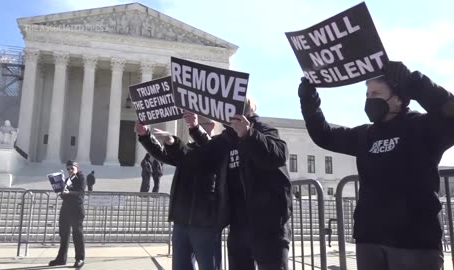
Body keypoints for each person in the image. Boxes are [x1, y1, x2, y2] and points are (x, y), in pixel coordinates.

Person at [298, 61, 454, 270]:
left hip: (414, 243)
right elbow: (324, 136)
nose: (369, 100)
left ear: (398, 98)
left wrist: (415, 82)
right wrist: (309, 101)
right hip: (369, 240)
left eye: (375, 93)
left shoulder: (422, 127)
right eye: (367, 94)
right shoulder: (365, 135)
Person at [188, 96, 293, 270]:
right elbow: (207, 152)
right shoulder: (227, 139)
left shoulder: (265, 130)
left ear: (249, 111)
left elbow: (279, 155)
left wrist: (248, 134)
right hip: (239, 225)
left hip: (269, 224)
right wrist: (194, 128)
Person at [135, 116, 227, 270]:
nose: (191, 127)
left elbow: (198, 156)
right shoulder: (187, 148)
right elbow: (164, 155)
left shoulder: (220, 147)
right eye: (189, 124)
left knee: (209, 266)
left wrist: (174, 142)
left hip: (205, 222)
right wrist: (145, 136)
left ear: (211, 125)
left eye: (197, 124)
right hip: (181, 220)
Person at [49, 160, 86, 268]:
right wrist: (60, 190)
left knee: (77, 234)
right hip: (66, 209)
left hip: (77, 209)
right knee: (64, 234)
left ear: (77, 168)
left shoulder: (81, 178)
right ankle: (61, 258)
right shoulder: (67, 179)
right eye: (68, 168)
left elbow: (81, 193)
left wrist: (69, 192)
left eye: (72, 168)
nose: (70, 170)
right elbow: (63, 196)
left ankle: (80, 259)